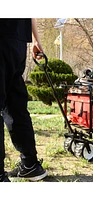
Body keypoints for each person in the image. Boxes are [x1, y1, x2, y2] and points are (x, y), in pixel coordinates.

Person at [0, 18, 48, 182]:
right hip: (18, 42)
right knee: (15, 106)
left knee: (15, 106)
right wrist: (37, 40)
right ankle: (30, 165)